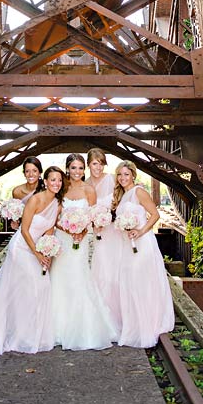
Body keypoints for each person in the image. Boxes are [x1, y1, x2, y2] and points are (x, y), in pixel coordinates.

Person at [0, 165, 64, 355]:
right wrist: (37, 253)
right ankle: (14, 331)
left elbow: (49, 230)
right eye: (53, 180)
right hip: (22, 248)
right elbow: (24, 230)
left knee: (42, 286)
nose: (56, 183)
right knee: (28, 286)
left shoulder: (57, 204)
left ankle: (32, 332)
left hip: (38, 247)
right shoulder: (36, 199)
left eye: (59, 180)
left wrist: (47, 250)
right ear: (46, 181)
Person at [49, 154, 118, 349]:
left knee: (79, 277)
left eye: (80, 168)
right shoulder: (61, 188)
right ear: (67, 169)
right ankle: (58, 327)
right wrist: (68, 229)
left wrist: (81, 229)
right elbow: (55, 217)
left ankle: (82, 327)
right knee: (60, 278)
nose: (77, 172)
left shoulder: (90, 190)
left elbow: (93, 215)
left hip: (81, 240)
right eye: (73, 168)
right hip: (63, 239)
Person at [112, 160, 174, 348]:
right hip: (128, 244)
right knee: (131, 283)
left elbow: (155, 215)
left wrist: (140, 231)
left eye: (126, 174)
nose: (123, 178)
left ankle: (148, 324)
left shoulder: (139, 191)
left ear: (133, 175)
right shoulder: (123, 195)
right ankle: (135, 324)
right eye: (120, 175)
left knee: (141, 282)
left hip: (143, 243)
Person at [88, 149, 123, 331]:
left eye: (101, 163)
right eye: (95, 163)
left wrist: (112, 216)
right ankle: (102, 314)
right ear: (89, 165)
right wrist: (94, 222)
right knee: (101, 268)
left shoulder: (111, 179)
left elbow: (121, 199)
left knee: (115, 269)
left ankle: (119, 314)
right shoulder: (86, 185)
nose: (99, 167)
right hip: (98, 232)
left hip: (114, 231)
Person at [9, 156, 44, 229]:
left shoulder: (45, 191)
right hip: (24, 230)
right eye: (27, 171)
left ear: (40, 173)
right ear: (24, 173)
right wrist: (15, 220)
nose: (31, 174)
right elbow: (16, 215)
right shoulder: (17, 191)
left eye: (34, 171)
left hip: (42, 229)